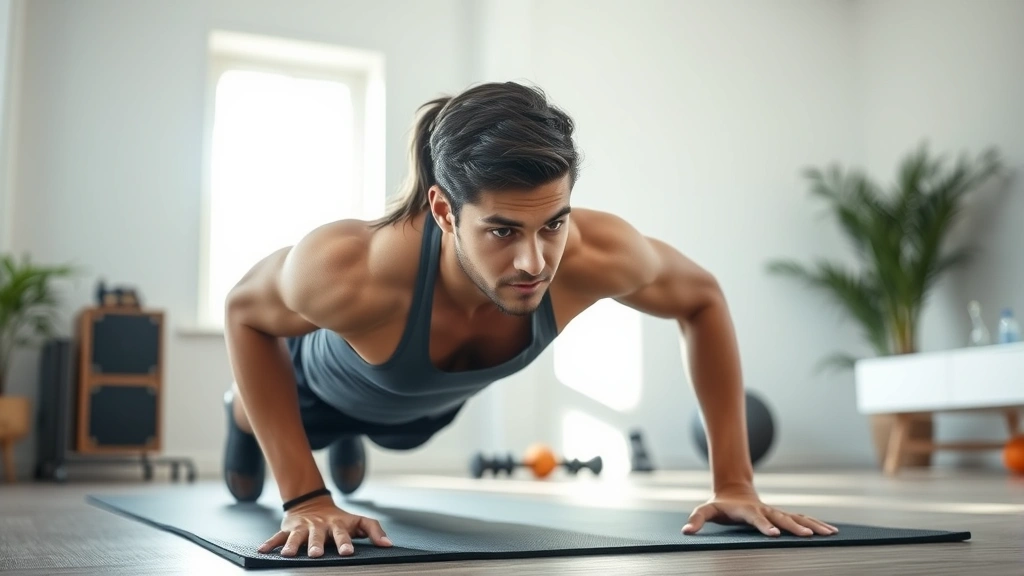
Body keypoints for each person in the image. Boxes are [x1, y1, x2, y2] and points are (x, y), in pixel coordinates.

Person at [222, 81, 838, 559]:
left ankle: (359, 438)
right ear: (442, 210)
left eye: (553, 224)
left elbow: (701, 297)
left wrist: (734, 483)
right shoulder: (350, 267)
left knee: (400, 432)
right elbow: (245, 314)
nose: (534, 261)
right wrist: (304, 496)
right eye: (501, 230)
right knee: (249, 482)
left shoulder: (597, 252)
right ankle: (247, 418)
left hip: (423, 412)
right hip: (313, 393)